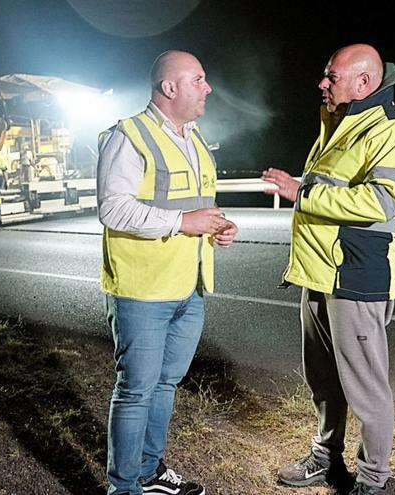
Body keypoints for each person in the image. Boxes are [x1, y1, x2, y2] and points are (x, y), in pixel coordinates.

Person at [262, 44, 395, 495]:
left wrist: (302, 194)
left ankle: (373, 480)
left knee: (367, 390)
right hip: (318, 273)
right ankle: (324, 456)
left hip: (354, 276)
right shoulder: (339, 125)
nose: (322, 84)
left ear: (364, 83)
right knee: (323, 379)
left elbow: (380, 202)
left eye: (331, 77)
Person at [97, 50, 238, 495]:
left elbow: (194, 205)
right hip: (142, 289)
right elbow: (112, 208)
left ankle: (148, 473)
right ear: (170, 87)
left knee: (165, 385)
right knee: (137, 389)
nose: (208, 87)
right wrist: (183, 223)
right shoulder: (128, 135)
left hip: (189, 286)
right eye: (199, 79)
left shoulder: (195, 139)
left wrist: (217, 226)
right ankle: (124, 488)